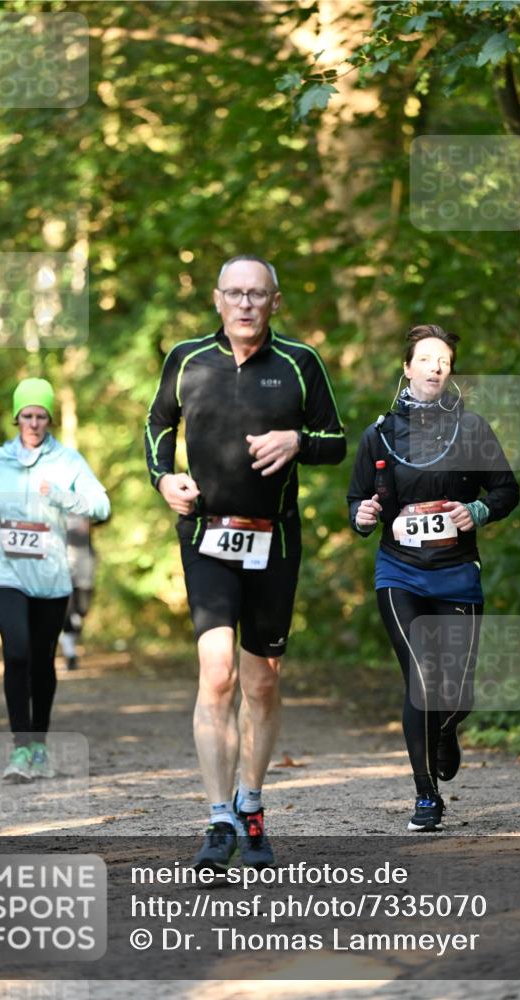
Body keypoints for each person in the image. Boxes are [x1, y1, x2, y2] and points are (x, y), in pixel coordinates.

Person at [145, 254, 346, 869]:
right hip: (206, 536)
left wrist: (298, 442)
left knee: (262, 682)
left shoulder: (299, 363)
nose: (246, 304)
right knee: (218, 675)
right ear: (217, 300)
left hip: (274, 541)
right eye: (235, 293)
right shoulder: (185, 360)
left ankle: (252, 801)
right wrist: (163, 479)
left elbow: (337, 443)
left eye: (257, 294)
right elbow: (158, 424)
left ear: (275, 302)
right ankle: (217, 819)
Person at [347, 325, 520, 832]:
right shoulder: (379, 434)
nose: (435, 367)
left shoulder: (472, 429)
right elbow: (358, 500)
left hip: (457, 573)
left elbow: (507, 490)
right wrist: (363, 516)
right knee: (421, 679)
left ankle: (445, 731)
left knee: (457, 693)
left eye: (443, 359)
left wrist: (478, 510)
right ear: (407, 367)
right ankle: (426, 795)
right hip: (399, 572)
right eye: (425, 358)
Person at [0, 378, 110, 781]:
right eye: (27, 415)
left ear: (49, 418)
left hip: (52, 577)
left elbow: (101, 504)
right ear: (16, 417)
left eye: (41, 415)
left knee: (41, 660)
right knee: (16, 652)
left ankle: (39, 746)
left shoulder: (68, 461)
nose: (33, 422)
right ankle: (19, 749)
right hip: (6, 572)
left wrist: (66, 498)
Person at [59, 514, 98, 671]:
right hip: (63, 552)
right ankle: (70, 653)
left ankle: (76, 622)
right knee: (66, 603)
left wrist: (90, 522)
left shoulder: (88, 492)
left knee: (82, 608)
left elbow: (106, 514)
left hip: (85, 552)